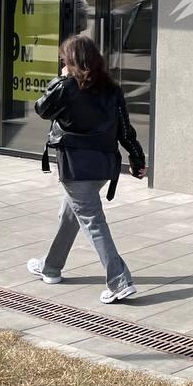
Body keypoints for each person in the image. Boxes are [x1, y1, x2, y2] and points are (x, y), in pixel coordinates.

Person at [25, 35, 147, 304]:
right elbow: (125, 130)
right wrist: (137, 158)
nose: (62, 63)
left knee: (93, 221)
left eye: (64, 59)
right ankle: (50, 267)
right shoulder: (112, 89)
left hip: (76, 167)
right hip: (103, 166)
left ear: (72, 61)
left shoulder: (67, 87)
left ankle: (120, 281)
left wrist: (59, 80)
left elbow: (42, 109)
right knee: (70, 215)